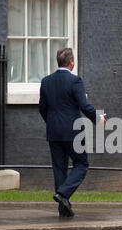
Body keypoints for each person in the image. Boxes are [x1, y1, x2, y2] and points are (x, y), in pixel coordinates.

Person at [39, 48, 106, 217]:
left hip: (53, 132)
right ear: (71, 62)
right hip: (73, 131)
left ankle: (63, 209)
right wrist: (98, 118)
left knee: (59, 168)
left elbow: (42, 108)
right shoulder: (75, 81)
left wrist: (53, 123)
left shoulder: (46, 81)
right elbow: (84, 106)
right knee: (81, 164)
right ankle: (63, 194)